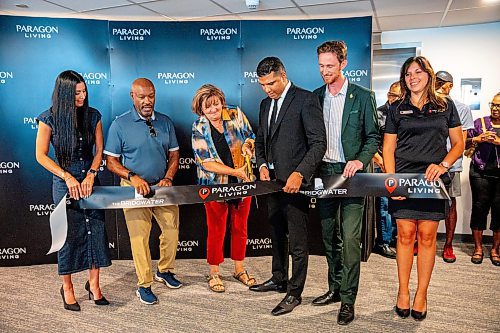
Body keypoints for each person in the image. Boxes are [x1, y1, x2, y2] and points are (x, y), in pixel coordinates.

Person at [383, 56, 464, 321]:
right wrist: (391, 181)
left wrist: (443, 165)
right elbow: (388, 148)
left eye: (418, 72)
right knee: (405, 235)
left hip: (432, 181)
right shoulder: (397, 108)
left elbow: (458, 144)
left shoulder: (445, 106)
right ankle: (403, 291)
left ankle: (421, 294)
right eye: (407, 74)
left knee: (428, 237)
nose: (412, 77)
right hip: (404, 179)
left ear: (428, 75)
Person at [249, 57, 326, 316]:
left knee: (298, 242)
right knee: (276, 234)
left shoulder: (305, 99)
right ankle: (279, 278)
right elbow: (261, 140)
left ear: (283, 74)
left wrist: (300, 173)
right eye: (262, 85)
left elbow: (318, 144)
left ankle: (295, 293)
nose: (267, 89)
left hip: (296, 185)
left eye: (271, 83)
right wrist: (260, 164)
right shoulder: (264, 104)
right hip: (271, 184)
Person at [311, 40, 380, 325]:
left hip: (352, 175)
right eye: (321, 66)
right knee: (329, 237)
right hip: (325, 173)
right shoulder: (315, 97)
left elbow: (374, 136)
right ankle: (335, 288)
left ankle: (348, 300)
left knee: (351, 239)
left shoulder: (363, 96)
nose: (325, 71)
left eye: (330, 65)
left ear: (343, 63)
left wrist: (360, 160)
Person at [35, 70, 111, 311]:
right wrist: (67, 176)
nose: (83, 96)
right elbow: (41, 155)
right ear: (65, 93)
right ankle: (67, 287)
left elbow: (99, 150)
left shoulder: (93, 116)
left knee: (96, 231)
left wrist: (91, 174)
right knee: (66, 236)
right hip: (63, 182)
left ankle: (95, 285)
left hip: (89, 182)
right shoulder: (49, 119)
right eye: (77, 92)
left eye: (84, 91)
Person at [105, 78, 182, 305]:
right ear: (132, 97)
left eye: (151, 96)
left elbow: (175, 155)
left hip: (161, 185)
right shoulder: (119, 124)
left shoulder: (166, 122)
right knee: (139, 237)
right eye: (142, 97)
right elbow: (111, 162)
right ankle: (144, 284)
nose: (147, 101)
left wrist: (168, 177)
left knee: (171, 231)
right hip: (133, 188)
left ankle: (164, 271)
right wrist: (132, 177)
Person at [191, 84, 257, 292]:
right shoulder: (198, 127)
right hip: (214, 186)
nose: (213, 110)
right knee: (216, 229)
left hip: (242, 183)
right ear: (201, 108)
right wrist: (234, 172)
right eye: (207, 107)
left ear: (222, 102)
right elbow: (206, 162)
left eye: (216, 105)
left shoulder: (235, 113)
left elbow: (250, 136)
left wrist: (249, 145)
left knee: (240, 227)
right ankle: (214, 272)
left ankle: (239, 269)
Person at [435, 70, 474, 263]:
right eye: (436, 81)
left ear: (451, 85)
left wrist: (446, 163)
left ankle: (448, 245)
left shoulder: (462, 108)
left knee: (450, 204)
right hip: (428, 165)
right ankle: (421, 241)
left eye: (443, 82)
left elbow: (462, 143)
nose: (439, 85)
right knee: (424, 203)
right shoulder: (427, 105)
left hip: (451, 165)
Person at [466, 92, 500, 266]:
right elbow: (463, 142)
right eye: (493, 104)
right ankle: (478, 248)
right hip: (480, 173)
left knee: (499, 212)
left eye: (498, 106)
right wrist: (477, 139)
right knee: (479, 209)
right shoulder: (480, 123)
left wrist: (497, 142)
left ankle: (495, 249)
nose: (495, 108)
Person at [373, 81, 401, 259]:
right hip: (381, 165)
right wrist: (381, 161)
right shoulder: (378, 114)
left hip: (399, 166)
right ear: (389, 95)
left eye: (400, 96)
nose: (396, 99)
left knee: (397, 204)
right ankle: (382, 242)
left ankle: (392, 239)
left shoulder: (403, 113)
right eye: (394, 95)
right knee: (384, 206)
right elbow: (370, 140)